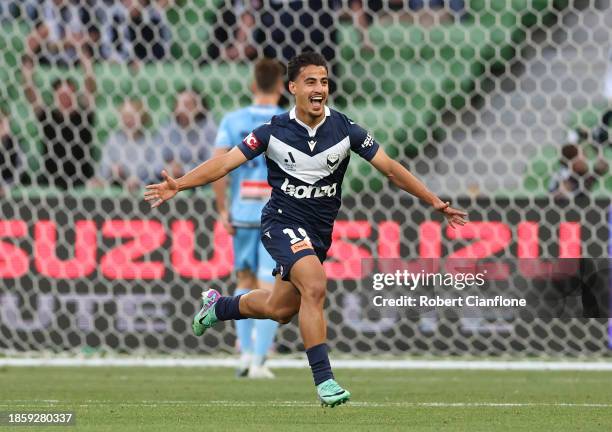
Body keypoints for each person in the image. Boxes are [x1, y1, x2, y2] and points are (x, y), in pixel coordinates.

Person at [144, 52, 467, 407]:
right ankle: (325, 381)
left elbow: (389, 167)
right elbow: (224, 163)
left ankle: (218, 307)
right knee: (314, 285)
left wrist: (433, 200)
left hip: (318, 233)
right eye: (311, 81)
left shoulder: (345, 129)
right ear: (292, 88)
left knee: (280, 309)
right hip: (280, 222)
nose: (319, 88)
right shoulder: (273, 131)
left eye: (324, 81)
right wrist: (181, 184)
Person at [212, 59, 285, 378]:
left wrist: (222, 209)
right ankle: (258, 360)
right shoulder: (287, 122)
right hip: (277, 215)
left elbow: (219, 166)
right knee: (270, 288)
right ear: (282, 87)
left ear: (252, 86)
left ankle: (242, 357)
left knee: (243, 281)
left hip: (242, 212)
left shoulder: (233, 120)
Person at [22, 33, 96, 189]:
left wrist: (81, 50)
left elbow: (90, 85)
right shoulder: (47, 117)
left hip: (82, 180)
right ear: (54, 97)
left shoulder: (83, 116)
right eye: (61, 95)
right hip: (51, 181)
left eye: (69, 94)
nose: (65, 98)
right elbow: (30, 90)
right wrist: (29, 57)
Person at [94, 98, 162, 192]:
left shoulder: (149, 141)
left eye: (132, 116)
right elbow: (103, 168)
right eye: (125, 116)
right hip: (116, 185)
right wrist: (112, 170)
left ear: (141, 117)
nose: (128, 120)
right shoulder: (113, 140)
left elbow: (156, 168)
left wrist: (139, 179)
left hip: (143, 187)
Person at [155, 89, 217, 179]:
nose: (182, 109)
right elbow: (154, 163)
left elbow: (212, 163)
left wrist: (183, 170)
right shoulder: (167, 128)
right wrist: (168, 168)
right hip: (169, 178)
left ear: (199, 106)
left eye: (187, 104)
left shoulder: (209, 129)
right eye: (178, 104)